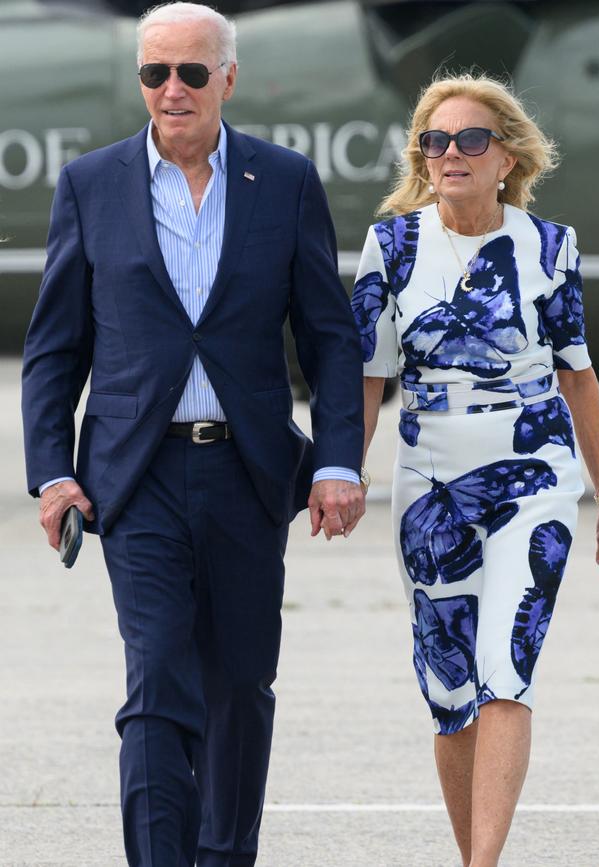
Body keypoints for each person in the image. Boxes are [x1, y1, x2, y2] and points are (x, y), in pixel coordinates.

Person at [22, 3, 365, 865]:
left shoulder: (284, 181)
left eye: (191, 73)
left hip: (249, 472)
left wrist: (336, 460)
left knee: (241, 684)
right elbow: (56, 348)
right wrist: (51, 474)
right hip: (135, 478)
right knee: (157, 683)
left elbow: (328, 337)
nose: (171, 90)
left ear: (229, 79)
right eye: (154, 73)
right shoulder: (91, 185)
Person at [352, 73, 599, 867]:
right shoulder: (393, 245)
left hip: (535, 475)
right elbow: (369, 374)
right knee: (450, 692)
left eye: (471, 140)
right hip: (429, 482)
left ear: (505, 156)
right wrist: (345, 470)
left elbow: (577, 372)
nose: (450, 154)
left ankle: (484, 865)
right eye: (435, 142)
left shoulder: (551, 246)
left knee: (506, 669)